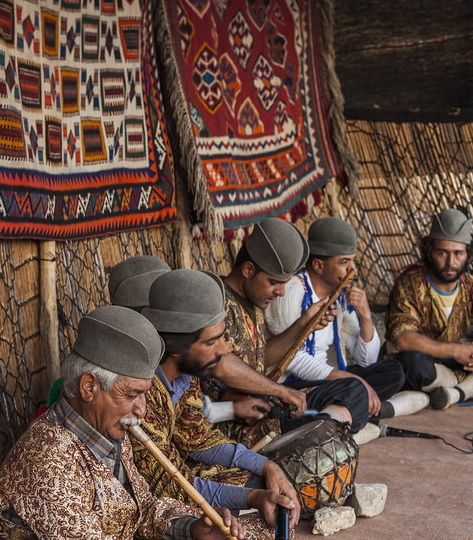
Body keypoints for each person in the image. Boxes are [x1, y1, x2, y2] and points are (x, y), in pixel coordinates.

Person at [0, 305, 249, 539]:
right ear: (89, 387)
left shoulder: (109, 432)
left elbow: (143, 509)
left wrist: (193, 527)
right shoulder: (47, 460)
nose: (142, 410)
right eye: (131, 394)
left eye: (144, 394)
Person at [135, 269, 301, 529]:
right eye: (212, 341)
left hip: (182, 480)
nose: (224, 350)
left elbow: (199, 438)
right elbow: (168, 483)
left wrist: (268, 466)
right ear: (175, 346)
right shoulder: (139, 395)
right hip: (153, 505)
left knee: (278, 486)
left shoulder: (185, 376)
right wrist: (252, 497)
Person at [208, 217, 371, 445]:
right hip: (232, 418)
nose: (281, 292)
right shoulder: (215, 300)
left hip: (261, 405)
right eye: (274, 282)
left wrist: (304, 323)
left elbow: (260, 359)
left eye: (284, 284)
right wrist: (279, 391)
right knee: (350, 396)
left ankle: (321, 430)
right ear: (247, 269)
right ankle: (319, 434)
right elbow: (221, 363)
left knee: (354, 391)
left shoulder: (254, 304)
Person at [266, 217, 428, 419]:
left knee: (393, 371)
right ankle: (350, 412)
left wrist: (365, 316)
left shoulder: (340, 296)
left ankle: (346, 410)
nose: (353, 270)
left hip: (327, 379)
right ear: (318, 266)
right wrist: (347, 378)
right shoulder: (291, 292)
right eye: (344, 262)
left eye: (353, 261)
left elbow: (366, 361)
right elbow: (290, 358)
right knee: (353, 387)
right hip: (292, 386)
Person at [386, 208, 473, 409]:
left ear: (467, 253)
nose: (450, 262)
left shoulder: (471, 285)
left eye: (458, 253)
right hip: (429, 363)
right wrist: (455, 350)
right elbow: (403, 338)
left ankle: (454, 392)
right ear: (430, 252)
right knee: (411, 366)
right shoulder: (410, 285)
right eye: (442, 253)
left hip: (460, 363)